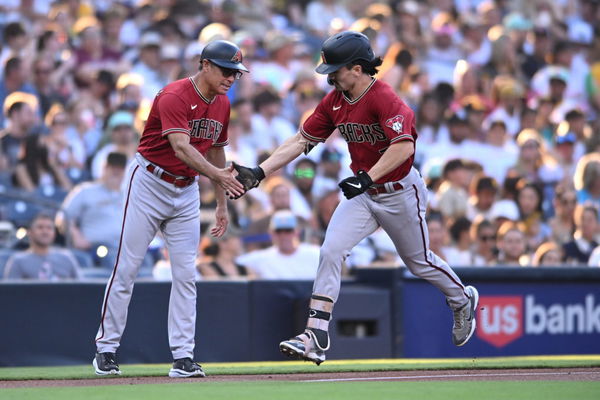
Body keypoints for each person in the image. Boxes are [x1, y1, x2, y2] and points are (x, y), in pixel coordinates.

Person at [232, 31, 479, 365]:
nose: (331, 75)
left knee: (418, 261)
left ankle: (462, 298)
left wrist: (368, 176)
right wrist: (260, 172)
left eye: (336, 68)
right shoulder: (335, 100)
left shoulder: (384, 97)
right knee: (331, 249)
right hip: (364, 193)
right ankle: (315, 334)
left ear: (358, 68)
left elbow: (405, 145)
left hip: (398, 190)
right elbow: (301, 140)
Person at [92, 39, 246, 378]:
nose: (231, 78)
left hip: (187, 188)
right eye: (226, 70)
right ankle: (106, 349)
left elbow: (218, 151)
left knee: (186, 275)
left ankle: (183, 357)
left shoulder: (222, 104)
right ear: (205, 65)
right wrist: (218, 175)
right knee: (127, 267)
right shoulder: (174, 95)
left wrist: (221, 203)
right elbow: (180, 146)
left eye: (235, 72)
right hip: (149, 180)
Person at [56, 152, 127, 268]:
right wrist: (76, 235)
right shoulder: (86, 191)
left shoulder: (129, 193)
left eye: (120, 168)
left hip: (125, 249)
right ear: (104, 168)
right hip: (95, 250)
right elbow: (62, 217)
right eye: (112, 168)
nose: (116, 172)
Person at [236, 210, 320, 279]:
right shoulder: (261, 258)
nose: (283, 235)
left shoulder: (316, 254)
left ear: (296, 232)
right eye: (278, 231)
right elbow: (235, 262)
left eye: (288, 230)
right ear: (271, 233)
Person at [3, 212, 80, 280]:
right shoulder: (18, 261)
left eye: (49, 228)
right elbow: (11, 293)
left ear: (54, 233)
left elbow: (81, 289)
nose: (45, 231)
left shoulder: (66, 258)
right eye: (40, 227)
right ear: (30, 232)